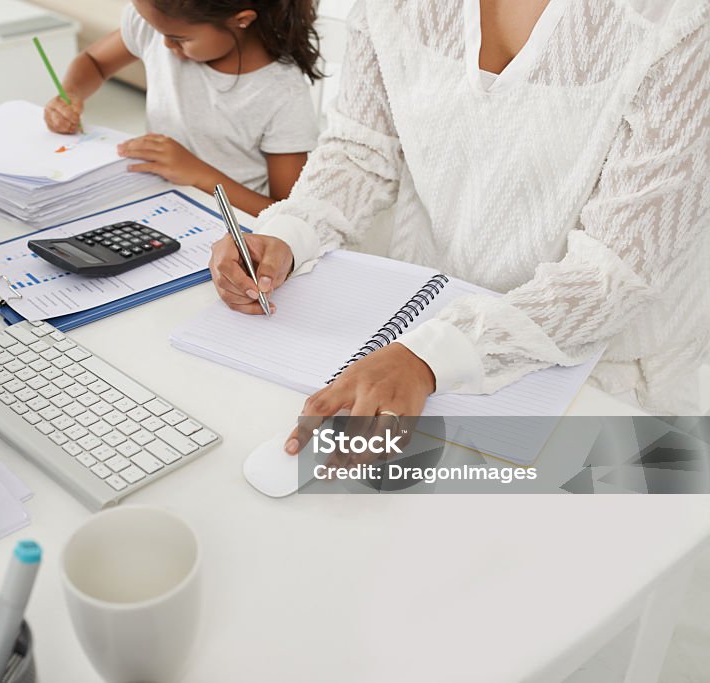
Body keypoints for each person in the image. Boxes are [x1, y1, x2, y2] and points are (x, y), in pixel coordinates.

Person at [209, 0, 710, 445]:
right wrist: (289, 233)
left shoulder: (682, 19)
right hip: (418, 335)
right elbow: (360, 150)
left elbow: (618, 268)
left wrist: (432, 356)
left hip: (609, 377)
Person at [43, 0, 322, 216]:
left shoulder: (282, 93)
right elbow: (94, 61)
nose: (164, 44)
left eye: (179, 38)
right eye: (159, 32)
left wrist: (198, 174)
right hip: (156, 203)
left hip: (233, 233)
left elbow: (284, 213)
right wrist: (70, 94)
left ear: (242, 20)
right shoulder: (158, 26)